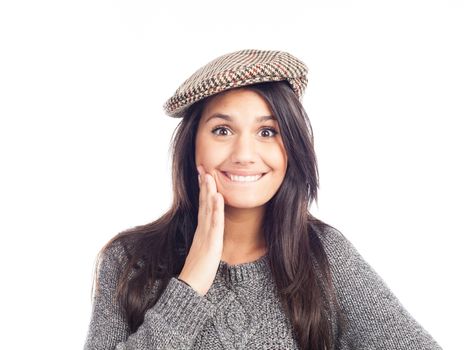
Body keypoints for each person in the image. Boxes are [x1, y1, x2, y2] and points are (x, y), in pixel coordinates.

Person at [83, 49, 442, 350]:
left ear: (292, 149)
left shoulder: (324, 255)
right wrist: (190, 284)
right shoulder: (130, 260)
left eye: (267, 132)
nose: (244, 154)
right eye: (222, 130)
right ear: (193, 145)